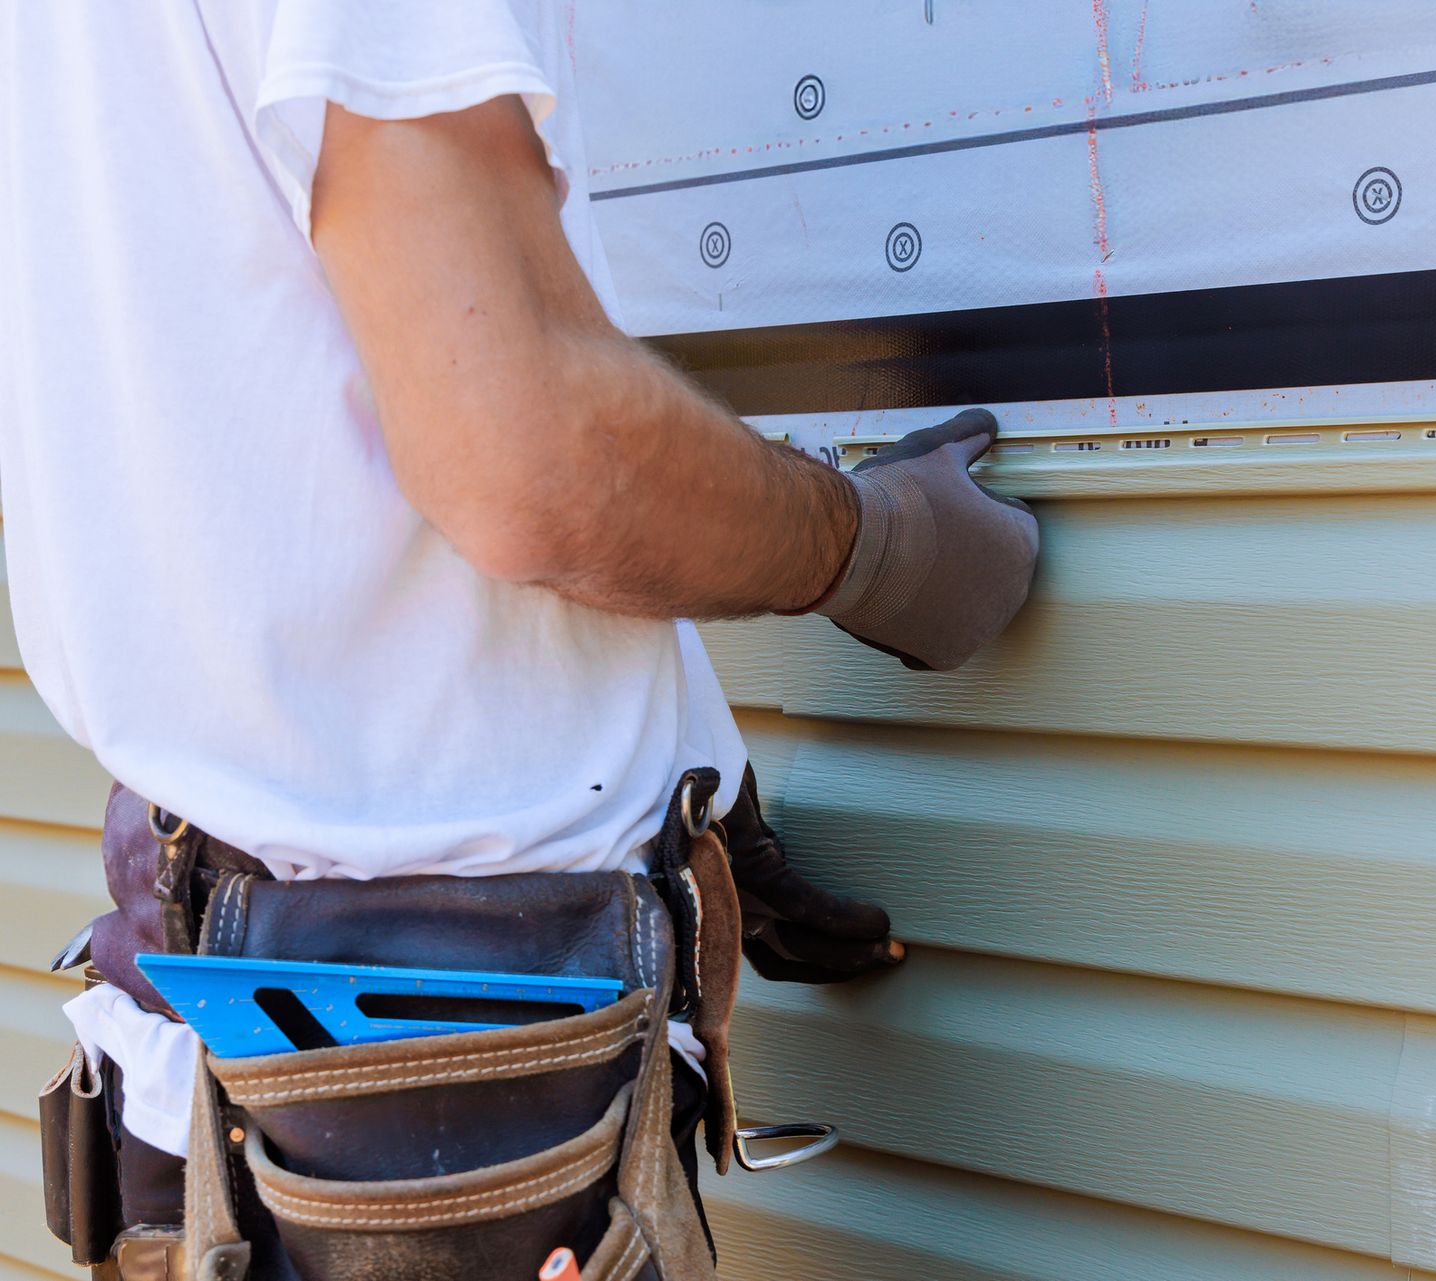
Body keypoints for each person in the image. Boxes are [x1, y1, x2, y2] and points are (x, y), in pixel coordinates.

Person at [1, 3, 1039, 1278]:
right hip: (449, 1142)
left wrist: (654, 748)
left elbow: (251, 432)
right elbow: (523, 450)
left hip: (212, 1083)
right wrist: (876, 550)